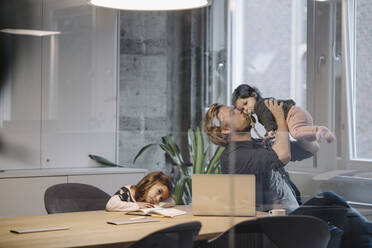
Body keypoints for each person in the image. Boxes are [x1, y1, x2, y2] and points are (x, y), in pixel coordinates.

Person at [204, 99, 314, 212]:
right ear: (226, 129)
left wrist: (295, 125)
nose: (241, 110)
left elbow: (311, 149)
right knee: (330, 198)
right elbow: (283, 155)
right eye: (233, 112)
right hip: (274, 222)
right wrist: (280, 118)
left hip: (295, 211)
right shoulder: (233, 156)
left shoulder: (259, 143)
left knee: (330, 200)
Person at [232, 84, 335, 153]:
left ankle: (321, 129)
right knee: (303, 137)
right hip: (297, 114)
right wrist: (267, 137)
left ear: (254, 95)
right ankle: (322, 134)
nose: (246, 109)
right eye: (242, 109)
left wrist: (270, 130)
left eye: (246, 103)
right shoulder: (260, 110)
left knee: (295, 133)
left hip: (293, 115)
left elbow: (267, 117)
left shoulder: (261, 106)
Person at [106, 171, 175, 212]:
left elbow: (172, 202)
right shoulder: (127, 192)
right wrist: (137, 205)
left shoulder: (149, 200)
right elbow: (110, 205)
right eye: (159, 191)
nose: (157, 199)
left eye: (161, 198)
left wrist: (157, 205)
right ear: (150, 182)